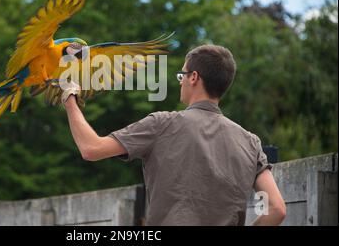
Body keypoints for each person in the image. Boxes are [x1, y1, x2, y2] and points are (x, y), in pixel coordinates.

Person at [62, 44, 286, 226]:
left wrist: (70, 99)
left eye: (182, 74)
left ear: (194, 77)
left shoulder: (162, 125)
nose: (180, 81)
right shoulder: (249, 142)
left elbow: (92, 149)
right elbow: (275, 209)